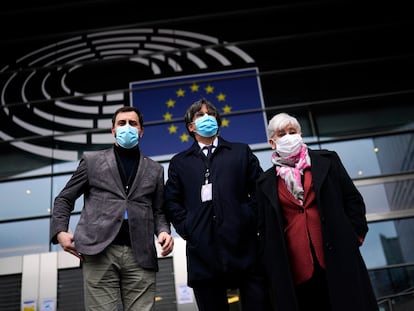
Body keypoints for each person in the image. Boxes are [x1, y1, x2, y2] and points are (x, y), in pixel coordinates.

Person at [50, 106, 174, 311]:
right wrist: (60, 231)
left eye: (133, 124)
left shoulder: (155, 170)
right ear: (113, 130)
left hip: (141, 254)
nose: (127, 127)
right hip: (99, 250)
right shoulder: (92, 162)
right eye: (121, 123)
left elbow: (159, 211)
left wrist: (163, 231)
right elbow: (64, 198)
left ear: (141, 131)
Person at [256, 112, 379, 311]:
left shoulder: (328, 161)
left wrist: (354, 237)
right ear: (272, 142)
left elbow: (353, 200)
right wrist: (270, 261)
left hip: (337, 256)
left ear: (300, 135)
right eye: (281, 134)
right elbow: (263, 227)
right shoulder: (265, 183)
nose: (288, 136)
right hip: (296, 268)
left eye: (292, 131)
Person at [164, 98, 269, 311]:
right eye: (200, 115)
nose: (207, 118)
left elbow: (261, 190)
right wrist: (189, 228)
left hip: (245, 249)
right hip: (203, 255)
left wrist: (249, 219)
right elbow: (172, 202)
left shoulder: (240, 152)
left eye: (211, 114)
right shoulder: (180, 162)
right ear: (191, 127)